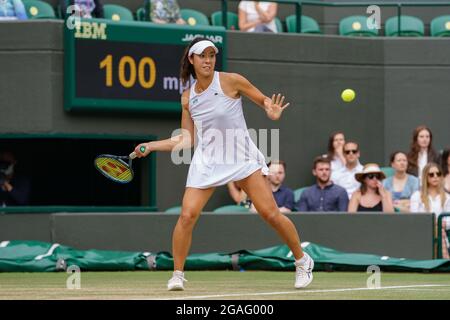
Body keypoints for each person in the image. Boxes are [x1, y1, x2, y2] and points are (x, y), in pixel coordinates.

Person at [133, 37, 314, 291]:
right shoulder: (187, 98)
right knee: (187, 215)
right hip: (208, 161)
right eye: (202, 56)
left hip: (241, 157)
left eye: (211, 55)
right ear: (192, 59)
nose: (208, 60)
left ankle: (302, 259)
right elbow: (186, 139)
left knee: (270, 214)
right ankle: (177, 274)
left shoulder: (231, 80)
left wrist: (269, 109)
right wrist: (151, 146)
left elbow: (262, 100)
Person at [410, 162, 450, 258]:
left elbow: (449, 219)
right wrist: (434, 222)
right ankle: (444, 259)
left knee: (438, 230)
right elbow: (414, 218)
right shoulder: (417, 196)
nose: (435, 177)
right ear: (425, 177)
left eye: (438, 174)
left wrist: (440, 223)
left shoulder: (447, 197)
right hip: (422, 232)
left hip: (443, 231)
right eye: (431, 175)